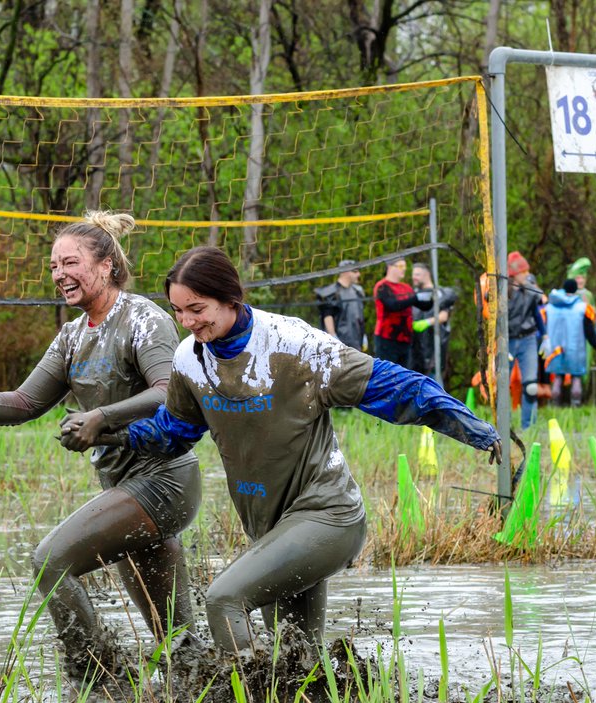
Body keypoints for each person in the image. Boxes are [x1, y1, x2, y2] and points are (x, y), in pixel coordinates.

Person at [100, 246, 500, 656]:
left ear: (230, 298)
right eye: (178, 311)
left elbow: (395, 385)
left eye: (197, 309)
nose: (187, 322)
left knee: (223, 600)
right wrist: (112, 431)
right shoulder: (189, 359)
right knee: (292, 659)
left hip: (327, 516)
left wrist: (470, 426)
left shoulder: (295, 345)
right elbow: (174, 432)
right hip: (269, 530)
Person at [0, 212, 202, 678]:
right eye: (54, 266)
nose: (59, 274)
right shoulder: (72, 335)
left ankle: (98, 675)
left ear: (106, 266)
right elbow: (24, 401)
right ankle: (227, 697)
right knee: (179, 644)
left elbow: (167, 390)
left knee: (51, 561)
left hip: (163, 481)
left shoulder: (143, 319)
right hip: (121, 490)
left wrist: (100, 417)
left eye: (70, 262)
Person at [506, 251, 547, 430]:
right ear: (514, 274)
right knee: (501, 386)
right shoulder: (500, 291)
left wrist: (545, 336)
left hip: (528, 339)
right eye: (523, 272)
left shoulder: (530, 289)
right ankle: (502, 427)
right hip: (506, 340)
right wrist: (497, 343)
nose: (527, 275)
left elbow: (536, 312)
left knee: (530, 386)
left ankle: (528, 427)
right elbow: (490, 317)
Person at [545, 278, 596, 407]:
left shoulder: (550, 307)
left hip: (555, 350)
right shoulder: (582, 308)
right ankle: (576, 405)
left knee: (558, 378)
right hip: (576, 349)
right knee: (576, 378)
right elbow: (590, 332)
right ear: (576, 289)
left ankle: (555, 405)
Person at [371, 259, 430, 368]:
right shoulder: (382, 286)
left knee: (403, 375)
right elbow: (393, 305)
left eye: (405, 266)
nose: (404, 269)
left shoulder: (406, 287)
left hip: (405, 339)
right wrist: (415, 298)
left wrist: (431, 297)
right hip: (387, 339)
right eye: (400, 266)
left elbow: (423, 306)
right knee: (387, 373)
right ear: (390, 267)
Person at [410, 263, 456, 378]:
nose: (414, 277)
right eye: (413, 274)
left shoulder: (440, 294)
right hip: (415, 351)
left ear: (427, 274)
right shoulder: (413, 295)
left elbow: (443, 316)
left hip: (434, 349)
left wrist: (427, 322)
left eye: (417, 274)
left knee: (433, 383)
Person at [314, 261, 365, 350]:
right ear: (345, 272)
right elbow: (327, 316)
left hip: (356, 343)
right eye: (355, 271)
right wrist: (333, 337)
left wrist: (363, 335)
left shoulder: (358, 292)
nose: (358, 274)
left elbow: (359, 316)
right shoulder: (331, 293)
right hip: (340, 344)